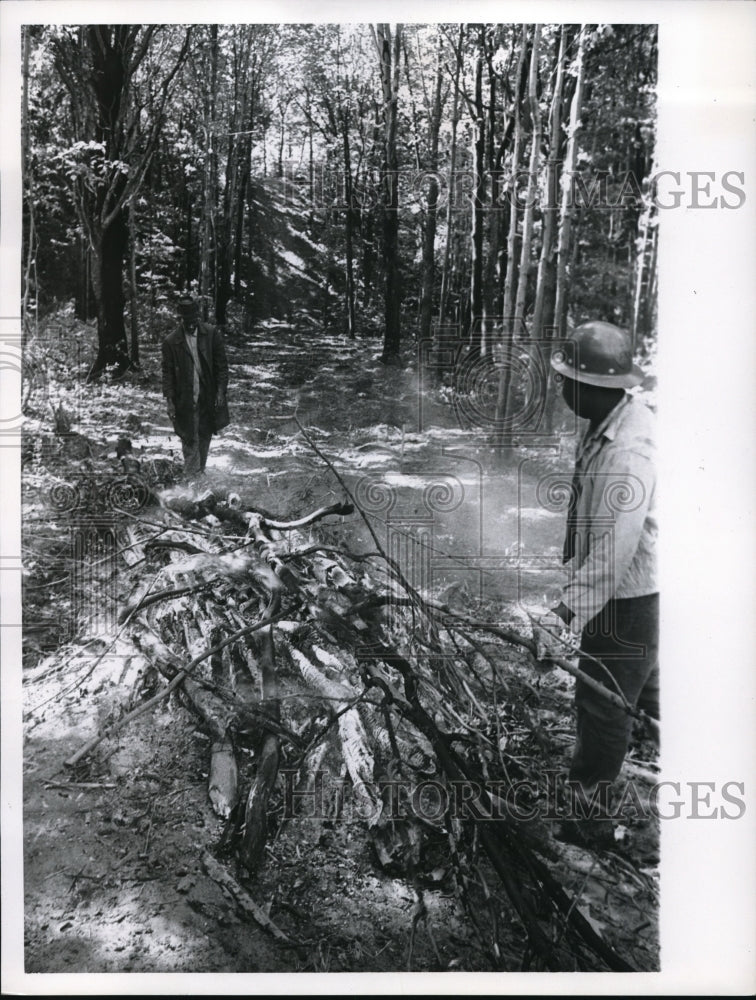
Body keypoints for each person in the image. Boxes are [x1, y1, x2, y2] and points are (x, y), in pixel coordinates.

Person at [534, 321, 658, 845]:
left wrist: (563, 615)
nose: (561, 389)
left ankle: (589, 822)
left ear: (595, 386)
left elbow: (613, 554)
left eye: (567, 379)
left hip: (627, 597)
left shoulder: (628, 451)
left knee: (603, 706)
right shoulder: (608, 420)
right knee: (645, 691)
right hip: (629, 590)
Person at [161, 293, 229, 481]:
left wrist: (221, 391)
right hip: (185, 398)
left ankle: (199, 471)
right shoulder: (171, 342)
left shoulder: (211, 334)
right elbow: (167, 374)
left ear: (198, 316)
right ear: (180, 319)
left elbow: (222, 366)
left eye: (193, 319)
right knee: (189, 437)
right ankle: (192, 478)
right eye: (186, 320)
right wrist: (169, 401)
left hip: (207, 396)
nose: (191, 323)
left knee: (205, 433)